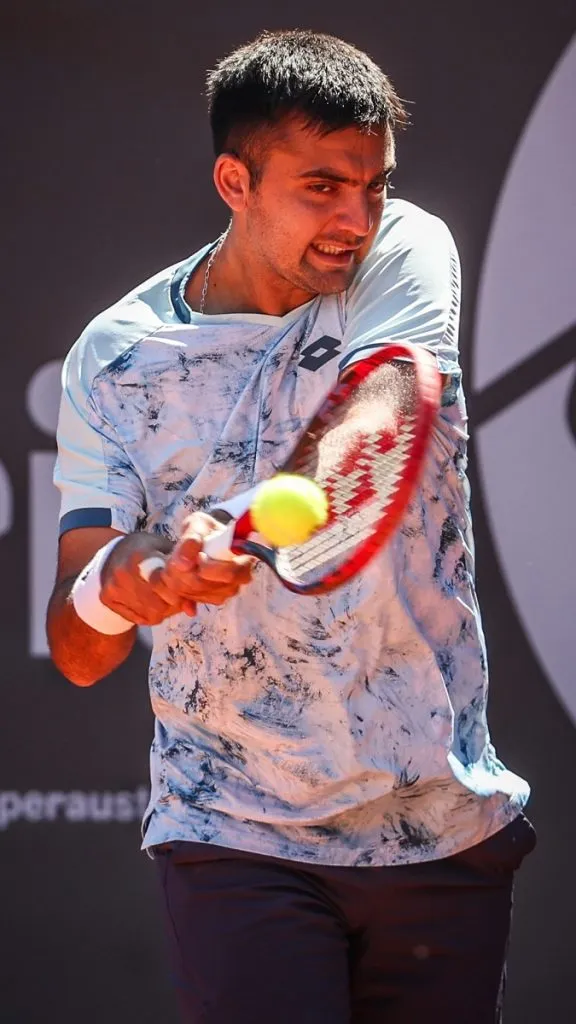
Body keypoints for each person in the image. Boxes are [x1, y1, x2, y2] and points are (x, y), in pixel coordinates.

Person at [47, 29, 535, 1024]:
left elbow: (387, 398)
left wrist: (246, 519)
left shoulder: (406, 247)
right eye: (321, 187)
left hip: (436, 823)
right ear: (236, 179)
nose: (356, 218)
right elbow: (79, 645)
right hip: (231, 829)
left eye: (373, 185)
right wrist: (128, 580)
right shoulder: (115, 356)